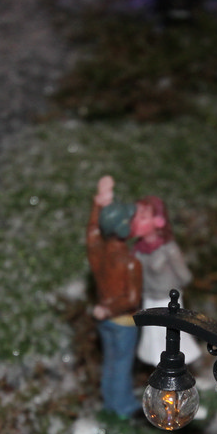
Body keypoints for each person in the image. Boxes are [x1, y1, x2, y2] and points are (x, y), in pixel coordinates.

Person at [86, 176, 143, 418]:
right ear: (124, 229)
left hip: (104, 319)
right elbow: (132, 300)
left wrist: (99, 202)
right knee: (121, 365)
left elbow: (92, 230)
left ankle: (109, 402)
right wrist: (110, 308)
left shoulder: (96, 250)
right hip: (123, 322)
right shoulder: (130, 263)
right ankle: (122, 407)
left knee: (109, 362)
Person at [131, 196, 200, 367]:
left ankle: (179, 371)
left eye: (142, 216)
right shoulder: (137, 250)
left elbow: (185, 276)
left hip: (168, 301)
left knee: (173, 340)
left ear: (158, 221)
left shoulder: (168, 249)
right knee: (154, 342)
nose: (136, 221)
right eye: (134, 216)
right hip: (149, 299)